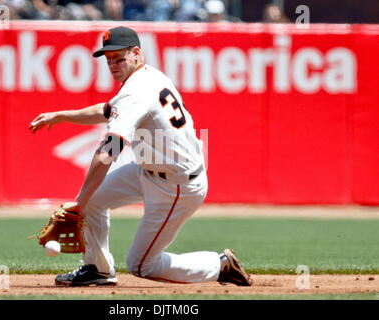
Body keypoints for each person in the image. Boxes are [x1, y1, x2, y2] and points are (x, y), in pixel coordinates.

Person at [28, 26, 252, 287]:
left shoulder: (136, 92)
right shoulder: (147, 77)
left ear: (136, 53)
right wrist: (62, 115)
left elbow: (107, 152)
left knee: (142, 264)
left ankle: (219, 265)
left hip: (176, 185)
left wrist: (78, 201)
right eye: (108, 59)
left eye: (119, 58)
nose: (112, 64)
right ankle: (98, 269)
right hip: (149, 169)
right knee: (93, 202)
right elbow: (109, 109)